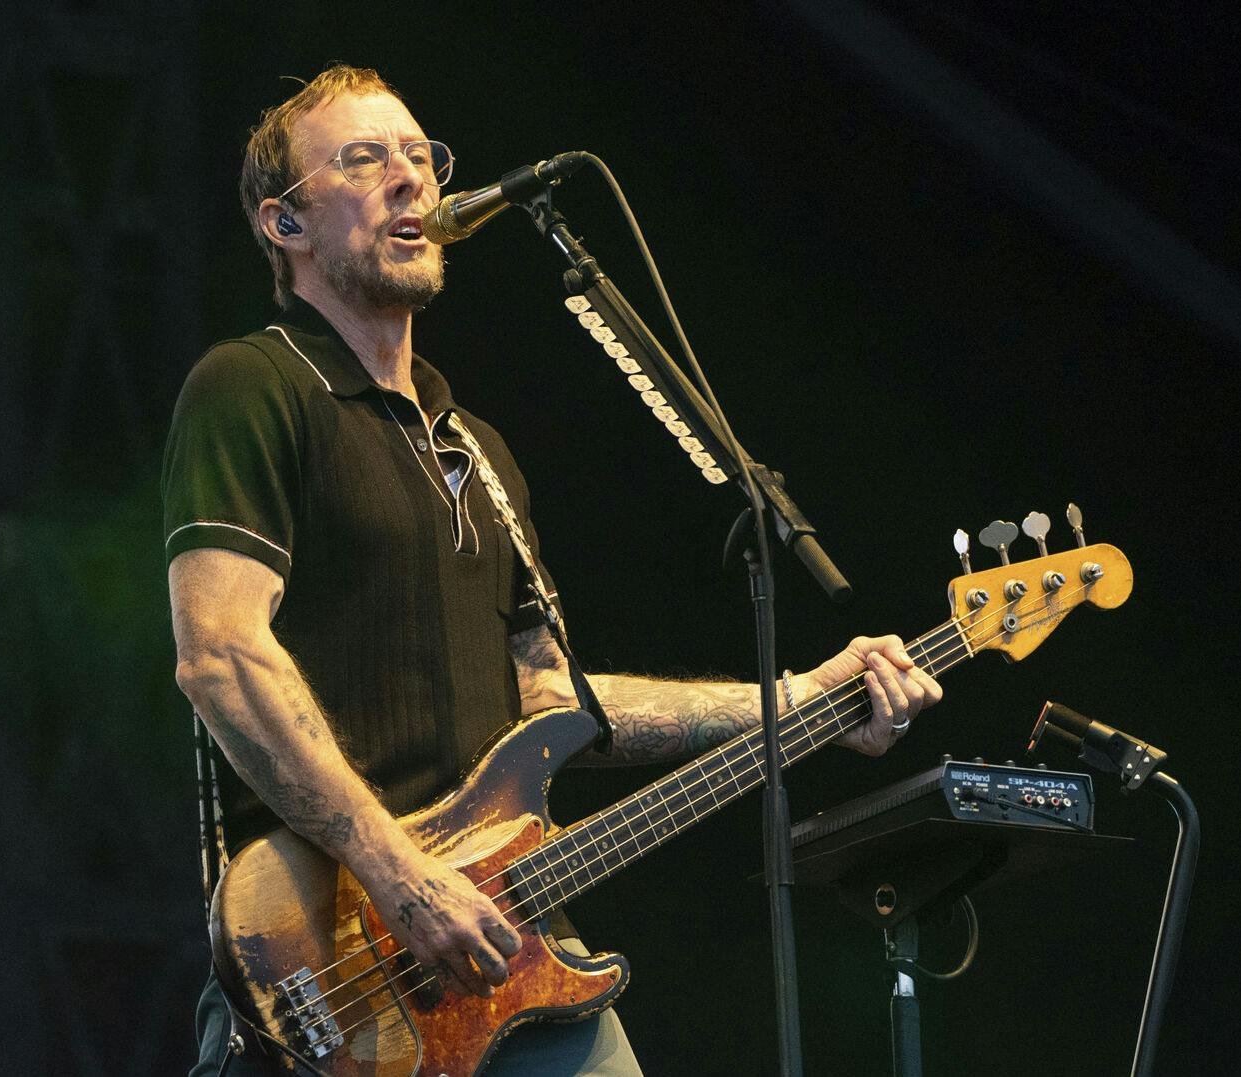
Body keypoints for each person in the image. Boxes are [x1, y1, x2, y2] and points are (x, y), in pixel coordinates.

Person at [163, 64, 942, 1077]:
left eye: (420, 155)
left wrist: (803, 698)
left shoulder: (480, 453)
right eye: (364, 159)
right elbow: (220, 654)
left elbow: (559, 703)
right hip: (335, 959)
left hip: (516, 951)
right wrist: (400, 877)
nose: (410, 180)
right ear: (286, 224)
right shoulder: (255, 386)